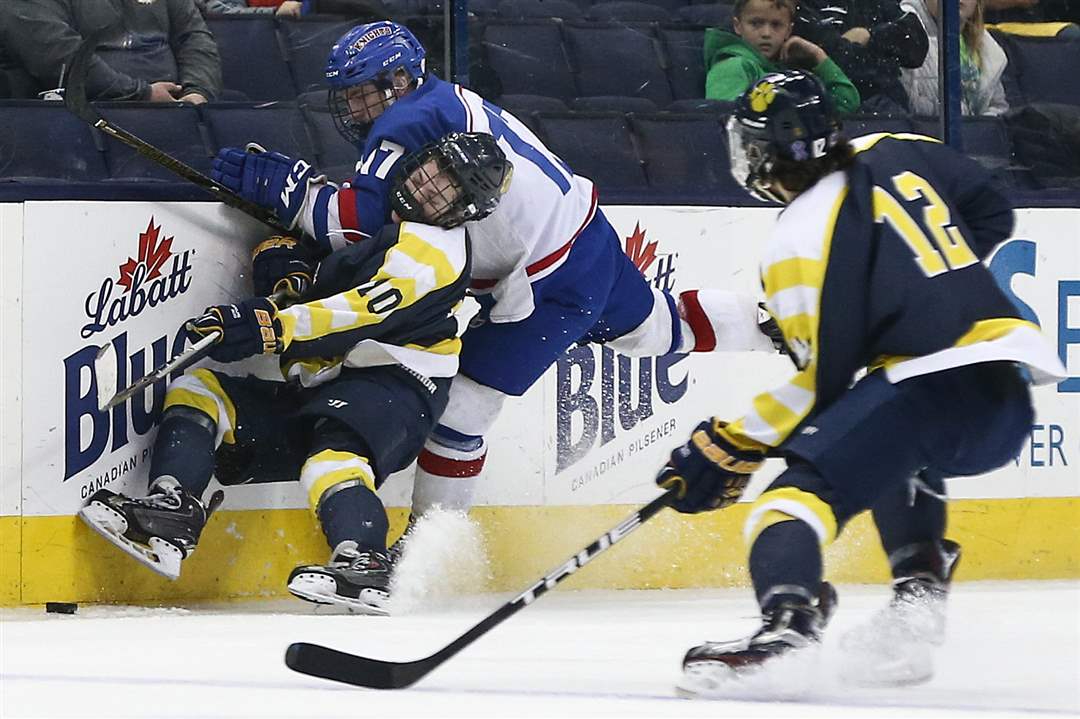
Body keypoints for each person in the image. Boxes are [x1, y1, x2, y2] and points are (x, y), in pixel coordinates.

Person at [207, 20, 785, 555]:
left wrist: (293, 194)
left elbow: (355, 226)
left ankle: (426, 553)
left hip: (544, 285)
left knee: (462, 412)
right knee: (659, 326)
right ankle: (779, 325)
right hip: (585, 236)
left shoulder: (403, 123)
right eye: (349, 95)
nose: (355, 108)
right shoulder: (442, 98)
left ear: (401, 79)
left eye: (364, 92)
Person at [657, 71, 1067, 694]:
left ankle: (787, 632)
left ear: (763, 153)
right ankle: (917, 600)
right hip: (1004, 394)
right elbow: (991, 209)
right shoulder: (895, 147)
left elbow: (820, 384)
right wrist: (926, 282)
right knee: (892, 451)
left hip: (925, 387)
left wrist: (732, 442)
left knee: (789, 503)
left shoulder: (798, 236)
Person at [79, 133, 513, 615]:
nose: (430, 184)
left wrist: (270, 326)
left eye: (450, 186)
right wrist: (293, 271)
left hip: (396, 386)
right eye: (435, 168)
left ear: (464, 211)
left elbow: (355, 313)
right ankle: (173, 511)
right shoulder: (384, 225)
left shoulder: (433, 250)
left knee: (333, 459)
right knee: (199, 391)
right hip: (326, 388)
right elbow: (333, 283)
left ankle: (367, 562)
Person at [1, 0, 221, 103]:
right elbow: (57, 55)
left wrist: (198, 91)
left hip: (174, 110)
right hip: (78, 116)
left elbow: (193, 36)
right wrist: (143, 94)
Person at [705, 0, 860, 114]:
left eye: (776, 25)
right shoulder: (733, 66)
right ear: (737, 26)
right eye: (756, 23)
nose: (766, 33)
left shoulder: (793, 70)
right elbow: (725, 120)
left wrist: (818, 55)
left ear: (788, 30)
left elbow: (846, 105)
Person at [795, 0, 929, 113]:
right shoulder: (803, 6)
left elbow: (917, 45)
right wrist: (883, 57)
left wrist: (870, 35)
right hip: (833, 108)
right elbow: (837, 59)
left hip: (889, 104)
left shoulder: (874, 3)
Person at [901, 0, 1009, 116]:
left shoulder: (989, 50)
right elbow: (906, 107)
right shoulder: (903, 32)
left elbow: (998, 109)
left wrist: (979, 124)